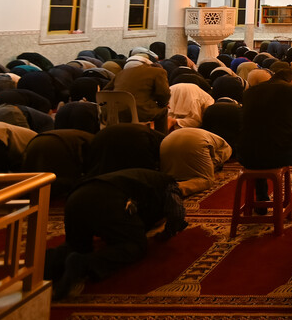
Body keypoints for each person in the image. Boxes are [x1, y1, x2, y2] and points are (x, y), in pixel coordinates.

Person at [47, 169, 187, 300]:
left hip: (75, 198)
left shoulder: (143, 178)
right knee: (135, 246)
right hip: (107, 200)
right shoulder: (170, 185)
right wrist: (168, 233)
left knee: (77, 246)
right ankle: (85, 264)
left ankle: (44, 265)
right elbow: (177, 214)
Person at [239, 73, 292, 201]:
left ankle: (261, 197)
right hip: (280, 153)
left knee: (258, 145)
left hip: (245, 154)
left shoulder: (250, 91)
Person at [160, 127, 233, 196]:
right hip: (195, 143)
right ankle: (177, 188)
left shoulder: (213, 137)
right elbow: (212, 162)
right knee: (207, 180)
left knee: (175, 176)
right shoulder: (227, 148)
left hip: (166, 140)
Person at [104, 58, 170, 131]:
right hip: (138, 112)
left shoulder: (123, 72)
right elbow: (164, 94)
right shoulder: (159, 72)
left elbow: (105, 90)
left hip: (113, 112)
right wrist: (163, 104)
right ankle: (161, 139)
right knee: (163, 111)